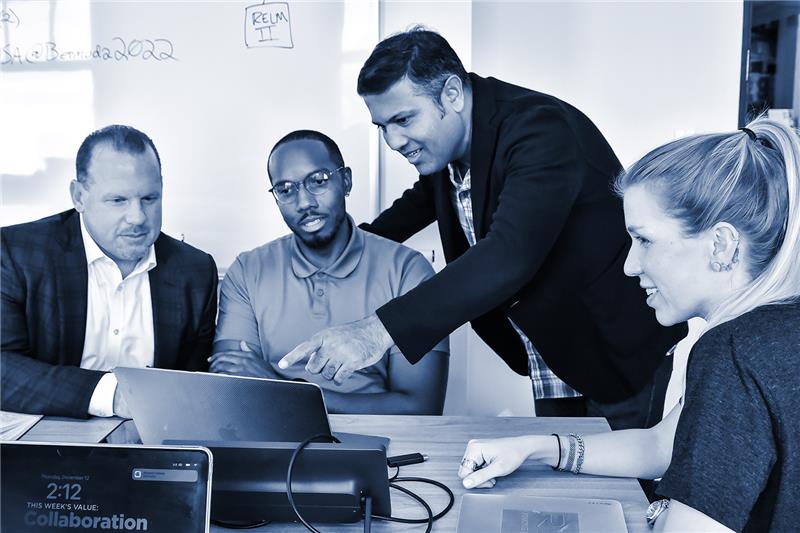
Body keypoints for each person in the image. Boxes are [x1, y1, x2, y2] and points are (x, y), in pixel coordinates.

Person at [279, 27, 685, 429]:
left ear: (452, 95)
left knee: (622, 487)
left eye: (403, 119)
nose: (394, 141)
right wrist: (325, 250)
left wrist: (376, 331)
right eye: (382, 127)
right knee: (566, 481)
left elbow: (509, 252)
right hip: (553, 356)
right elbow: (404, 216)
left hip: (616, 353)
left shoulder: (541, 130)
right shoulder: (448, 152)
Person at [456, 117, 800, 532]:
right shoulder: (776, 333)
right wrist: (534, 449)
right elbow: (662, 445)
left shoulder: (732, 352)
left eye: (645, 240)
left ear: (721, 245)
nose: (630, 265)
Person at [210, 130, 449, 415]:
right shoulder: (247, 271)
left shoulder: (407, 270)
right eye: (286, 189)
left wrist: (282, 389)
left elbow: (420, 406)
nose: (304, 203)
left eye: (318, 181)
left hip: (378, 445)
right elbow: (230, 385)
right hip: (272, 439)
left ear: (345, 180)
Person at [1, 125, 218, 419]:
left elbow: (193, 387)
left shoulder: (195, 272)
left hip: (149, 449)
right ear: (79, 196)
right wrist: (112, 396)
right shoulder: (17, 253)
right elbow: (4, 370)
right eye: (118, 201)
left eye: (149, 199)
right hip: (46, 443)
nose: (137, 217)